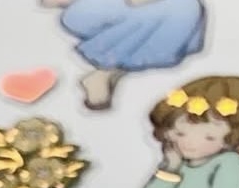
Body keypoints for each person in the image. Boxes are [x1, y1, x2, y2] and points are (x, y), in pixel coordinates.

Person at [42, 0, 207, 111]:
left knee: (185, 7)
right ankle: (106, 71)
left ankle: (108, 73)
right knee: (168, 11)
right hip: (92, 10)